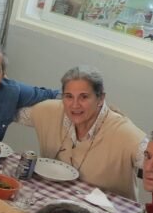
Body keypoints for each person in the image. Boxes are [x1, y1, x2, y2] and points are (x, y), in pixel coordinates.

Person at [16, 66, 145, 200]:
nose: (75, 105)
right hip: (56, 201)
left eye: (84, 97)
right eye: (69, 96)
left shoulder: (123, 132)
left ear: (100, 98)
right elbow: (11, 111)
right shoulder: (51, 111)